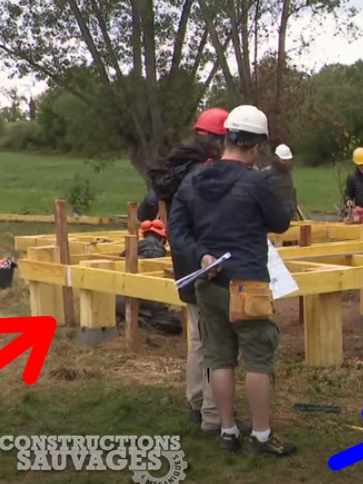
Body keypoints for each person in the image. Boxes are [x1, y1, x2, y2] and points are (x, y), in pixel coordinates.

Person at [167, 104, 296, 457]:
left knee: (220, 357)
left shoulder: (193, 180)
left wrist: (202, 255)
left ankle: (226, 431)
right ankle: (261, 436)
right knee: (257, 359)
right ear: (255, 147)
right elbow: (280, 222)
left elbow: (176, 229)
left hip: (209, 281)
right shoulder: (255, 181)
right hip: (248, 283)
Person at [147, 107, 236, 437]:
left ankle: (196, 402)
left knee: (198, 337)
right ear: (215, 139)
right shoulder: (204, 172)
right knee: (215, 340)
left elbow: (153, 209)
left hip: (184, 261)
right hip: (205, 261)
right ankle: (214, 415)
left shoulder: (174, 169)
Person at [114, 220, 183, 335]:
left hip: (118, 297)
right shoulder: (157, 250)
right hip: (138, 298)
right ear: (163, 239)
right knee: (173, 323)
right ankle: (141, 322)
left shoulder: (135, 245)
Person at [262, 143, 299, 221]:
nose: (286, 163)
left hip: (289, 215)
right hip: (273, 217)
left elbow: (292, 192)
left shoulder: (288, 173)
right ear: (277, 158)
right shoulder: (266, 173)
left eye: (287, 160)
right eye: (284, 160)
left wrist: (294, 210)